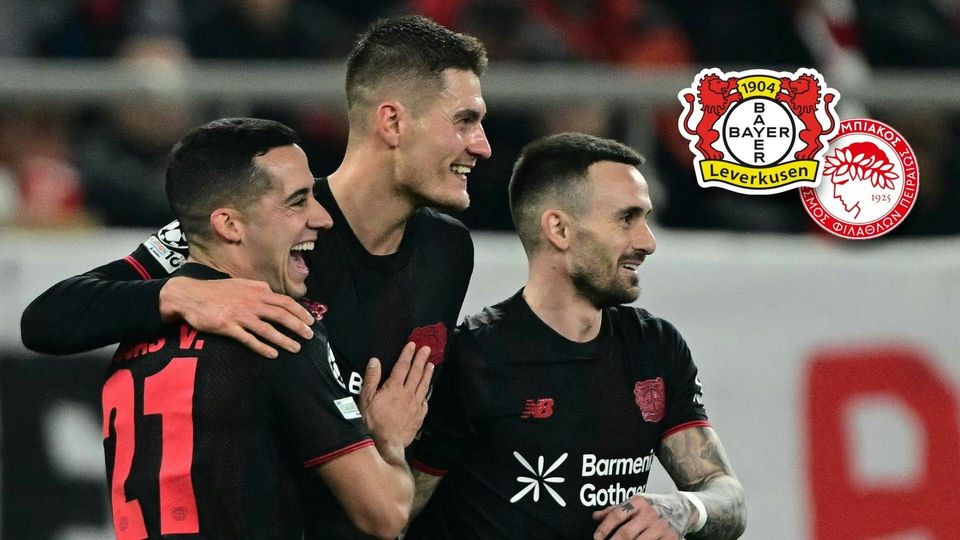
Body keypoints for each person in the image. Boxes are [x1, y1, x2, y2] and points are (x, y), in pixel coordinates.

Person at [20, 14, 489, 538]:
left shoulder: (448, 250)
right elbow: (48, 317)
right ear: (393, 122)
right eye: (464, 121)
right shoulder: (262, 219)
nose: (482, 145)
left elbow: (409, 438)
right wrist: (182, 292)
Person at [101, 117, 432, 538]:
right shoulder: (275, 333)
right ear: (230, 225)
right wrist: (389, 440)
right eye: (297, 202)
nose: (322, 218)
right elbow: (385, 513)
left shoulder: (133, 340)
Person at [405, 133, 746, 539]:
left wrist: (686, 508)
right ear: (559, 229)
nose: (648, 242)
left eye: (645, 218)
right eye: (626, 218)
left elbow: (726, 495)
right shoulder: (475, 358)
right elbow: (397, 514)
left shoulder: (654, 347)